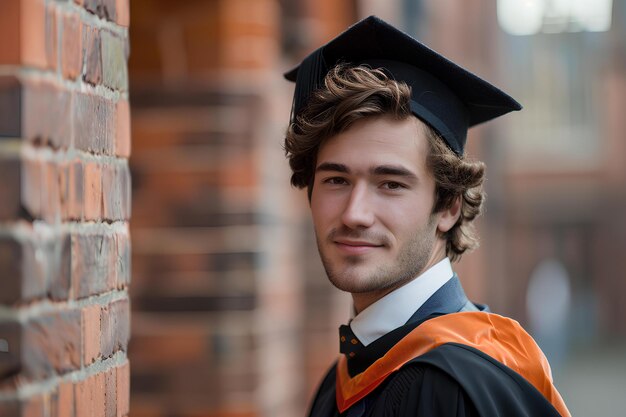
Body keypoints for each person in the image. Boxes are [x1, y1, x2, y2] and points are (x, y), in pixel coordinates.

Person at [283, 15, 571, 417]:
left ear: (449, 207)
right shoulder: (344, 375)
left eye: (391, 184)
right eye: (336, 180)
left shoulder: (453, 388)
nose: (354, 213)